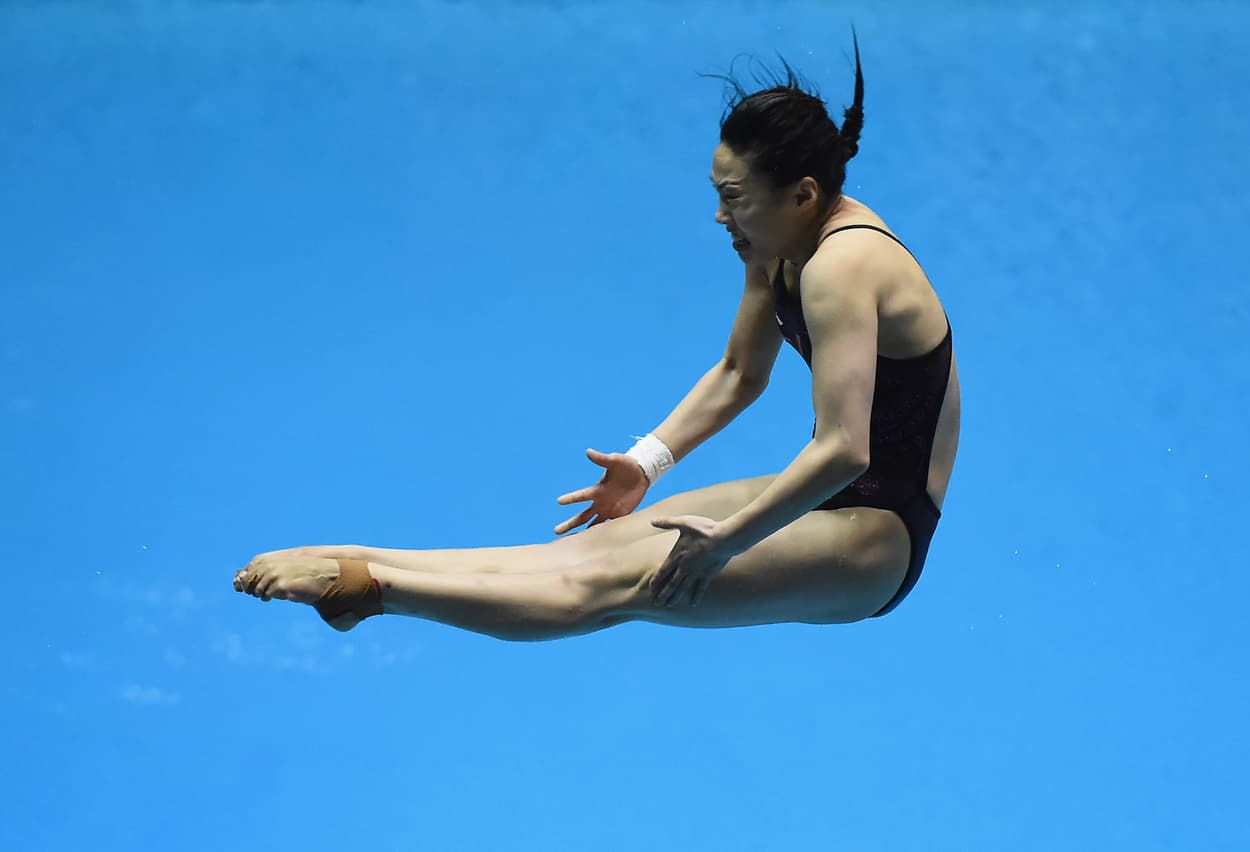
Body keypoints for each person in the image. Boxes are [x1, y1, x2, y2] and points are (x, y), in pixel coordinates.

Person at [232, 31, 961, 640]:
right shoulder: (777, 241)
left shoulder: (843, 265)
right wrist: (648, 463)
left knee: (615, 585)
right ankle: (364, 560)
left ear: (803, 194)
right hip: (833, 498)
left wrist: (731, 541)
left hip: (879, 533)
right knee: (596, 548)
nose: (719, 218)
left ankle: (370, 588)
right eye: (717, 194)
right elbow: (741, 372)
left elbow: (843, 449)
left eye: (733, 200)